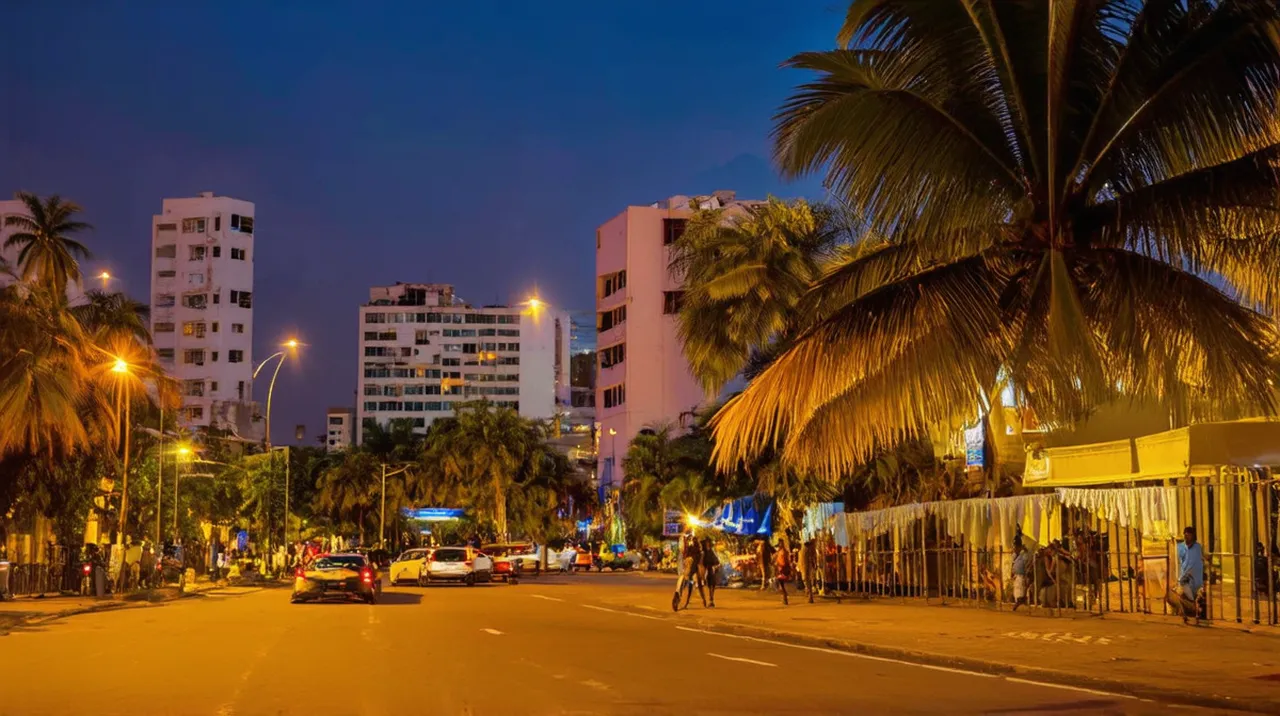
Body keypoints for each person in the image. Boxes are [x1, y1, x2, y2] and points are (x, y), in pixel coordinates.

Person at [1176, 525, 1205, 624]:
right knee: (1181, 595)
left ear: (1193, 536)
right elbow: (1179, 562)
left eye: (1188, 535)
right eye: (1185, 535)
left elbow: (1201, 559)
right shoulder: (1181, 547)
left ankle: (1197, 614)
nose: (1186, 537)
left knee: (1198, 596)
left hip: (1196, 576)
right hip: (1185, 577)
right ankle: (1184, 614)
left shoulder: (1198, 547)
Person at [673, 533, 706, 611]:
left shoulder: (696, 553)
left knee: (689, 583)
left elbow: (699, 564)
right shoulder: (689, 552)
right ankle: (681, 599)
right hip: (688, 572)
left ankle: (684, 601)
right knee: (685, 583)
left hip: (691, 573)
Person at [1011, 540, 1030, 611]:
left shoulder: (1024, 554)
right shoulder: (1015, 555)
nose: (1014, 548)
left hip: (1021, 575)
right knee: (1016, 590)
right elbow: (1013, 564)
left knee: (1020, 589)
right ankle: (1018, 602)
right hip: (1016, 575)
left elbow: (1027, 560)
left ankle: (1019, 602)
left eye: (1016, 547)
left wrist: (1025, 550)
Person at [700, 536, 720, 608]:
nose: (708, 544)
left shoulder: (711, 551)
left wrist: (716, 565)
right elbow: (701, 562)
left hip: (710, 569)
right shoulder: (703, 552)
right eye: (707, 542)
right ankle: (706, 600)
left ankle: (711, 599)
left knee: (712, 584)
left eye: (709, 542)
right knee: (705, 585)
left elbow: (716, 561)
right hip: (704, 570)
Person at [774, 537, 793, 606]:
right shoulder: (781, 551)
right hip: (781, 569)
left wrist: (779, 564)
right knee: (780, 583)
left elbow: (784, 561)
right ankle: (784, 597)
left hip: (783, 569)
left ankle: (785, 597)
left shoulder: (783, 552)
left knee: (779, 583)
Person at [799, 539, 817, 604]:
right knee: (807, 580)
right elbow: (812, 558)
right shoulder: (806, 550)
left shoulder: (805, 550)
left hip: (805, 567)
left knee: (807, 580)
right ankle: (810, 595)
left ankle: (810, 596)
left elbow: (812, 558)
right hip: (805, 567)